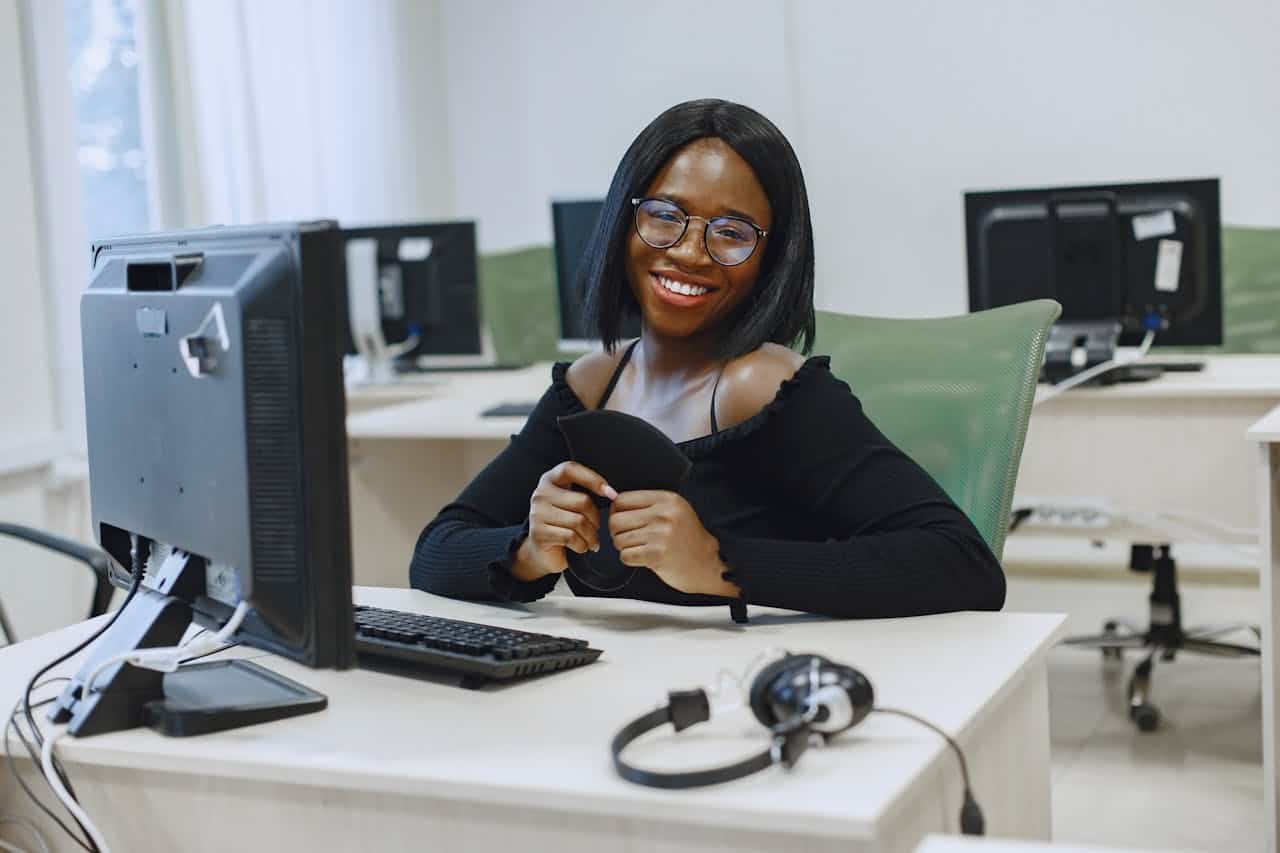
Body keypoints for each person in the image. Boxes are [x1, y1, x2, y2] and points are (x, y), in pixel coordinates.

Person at [409, 98, 1004, 620]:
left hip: (748, 706)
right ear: (624, 221)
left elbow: (959, 562)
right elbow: (435, 551)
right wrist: (526, 551)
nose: (691, 252)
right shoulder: (593, 384)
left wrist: (720, 564)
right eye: (665, 216)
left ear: (771, 259)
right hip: (605, 694)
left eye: (732, 231)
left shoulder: (766, 388)